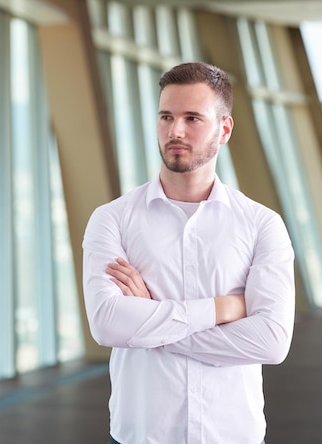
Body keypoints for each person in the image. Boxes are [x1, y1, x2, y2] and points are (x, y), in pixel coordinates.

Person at [82, 62, 295, 444]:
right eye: (166, 116)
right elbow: (109, 323)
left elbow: (270, 342)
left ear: (224, 129)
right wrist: (221, 309)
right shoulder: (111, 219)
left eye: (192, 118)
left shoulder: (262, 225)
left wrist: (150, 321)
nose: (174, 131)